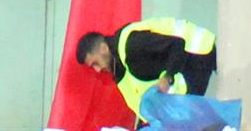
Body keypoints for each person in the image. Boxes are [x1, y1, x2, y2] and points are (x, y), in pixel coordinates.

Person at [75, 14, 221, 123]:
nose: (97, 70)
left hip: (199, 52)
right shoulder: (120, 71)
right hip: (190, 71)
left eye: (95, 63)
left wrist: (167, 77)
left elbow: (177, 45)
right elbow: (142, 106)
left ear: (103, 48)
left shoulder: (132, 45)